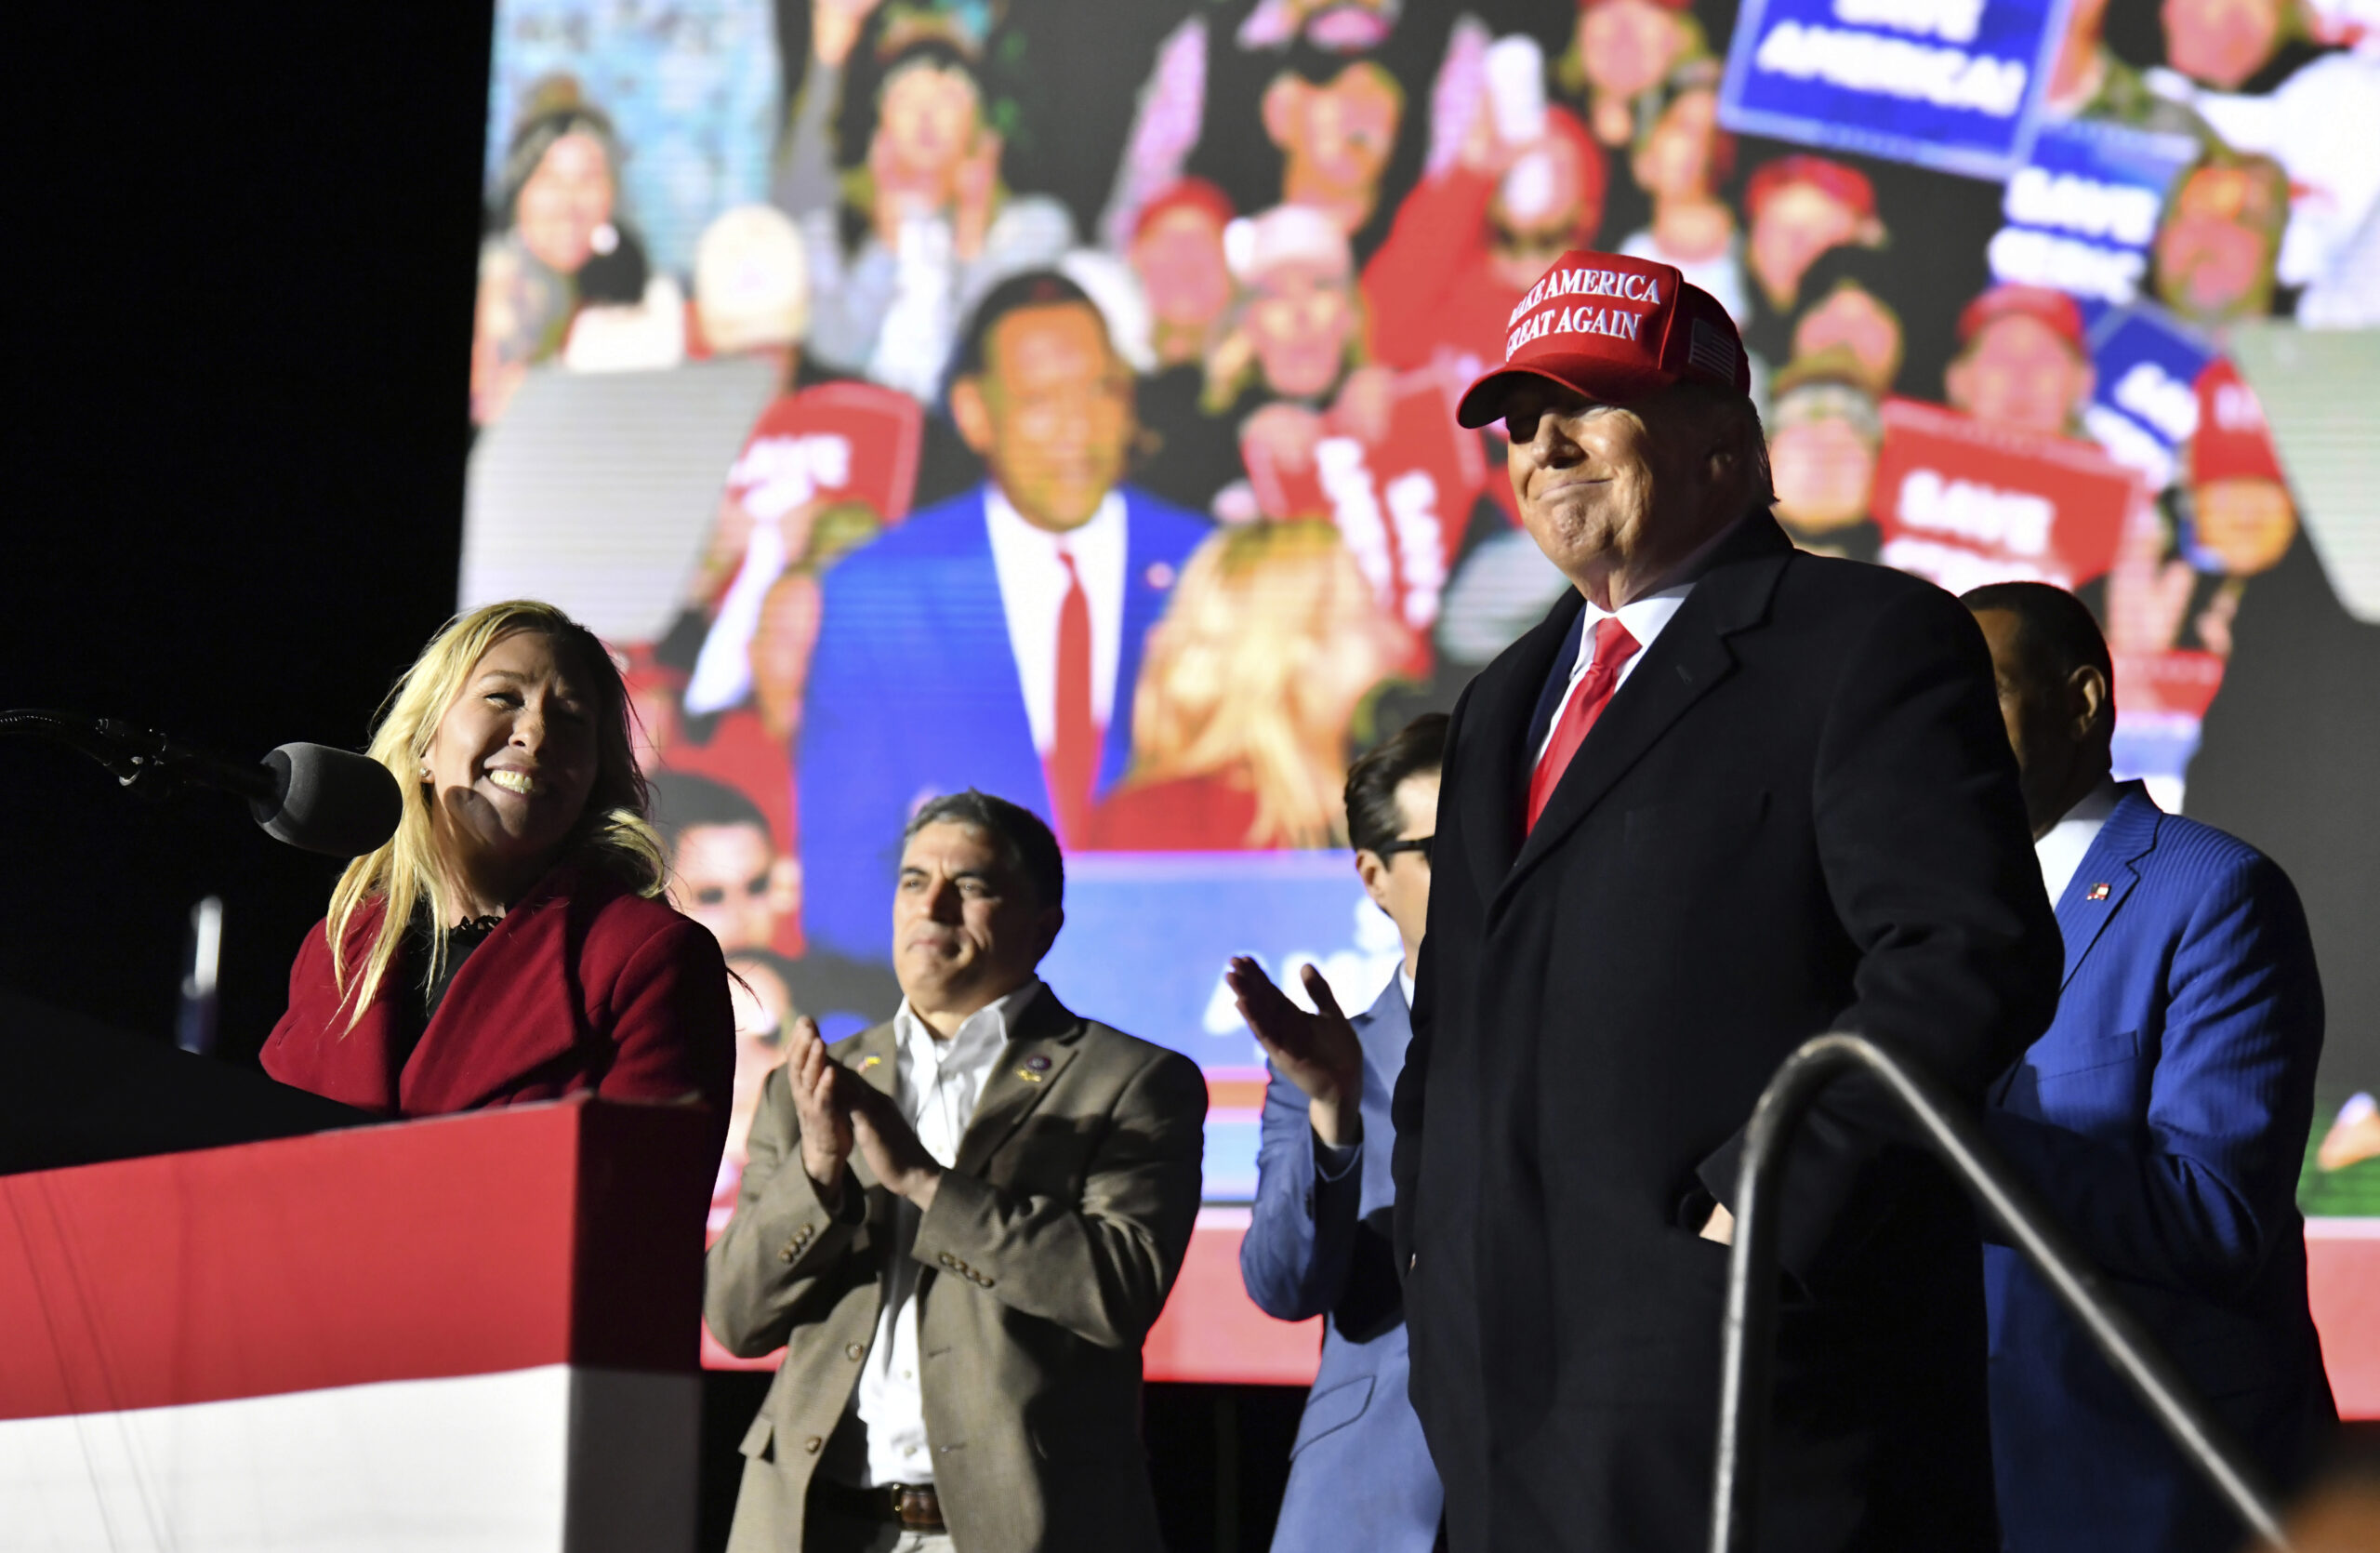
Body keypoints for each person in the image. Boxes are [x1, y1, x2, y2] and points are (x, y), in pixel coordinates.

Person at [1393, 249, 2061, 1548]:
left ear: (1725, 442)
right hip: (1500, 1407)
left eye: (1591, 401)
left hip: (1750, 1403)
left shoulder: (1865, 641)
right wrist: (1431, 1237)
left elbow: (1963, 957)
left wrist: (1761, 1209)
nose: (1546, 444)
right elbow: (1456, 1018)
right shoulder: (1496, 702)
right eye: (1521, 419)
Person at [705, 791, 1206, 1553]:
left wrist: (925, 1184)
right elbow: (736, 1321)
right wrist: (817, 1173)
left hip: (1014, 1528)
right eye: (912, 881)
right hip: (814, 1522)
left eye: (970, 885)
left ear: (1045, 927)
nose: (931, 906)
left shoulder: (1130, 1081)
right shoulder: (813, 1081)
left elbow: (1117, 1289)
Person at [1959, 580, 2335, 1552]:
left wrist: (1938, 1137)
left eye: (1981, 691)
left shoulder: (2213, 892)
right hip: (1951, 1476)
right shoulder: (1918, 921)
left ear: (2083, 699)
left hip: (2156, 1485)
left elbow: (2212, 1215)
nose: (1943, 727)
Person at [798, 272, 1210, 962]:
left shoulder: (1205, 571)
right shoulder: (880, 596)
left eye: (1100, 389)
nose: (1080, 426)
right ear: (974, 413)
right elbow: (841, 889)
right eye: (1041, 401)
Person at [261, 601, 735, 1171]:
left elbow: (633, 1224)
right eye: (503, 698)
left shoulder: (646, 959)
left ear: (592, 778)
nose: (535, 734)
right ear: (424, 747)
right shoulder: (335, 950)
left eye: (571, 717)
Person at [1228, 712, 1448, 1553]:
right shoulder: (1331, 1064)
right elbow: (1283, 1285)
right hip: (1371, 1503)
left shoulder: (1585, 1046)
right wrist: (1332, 1107)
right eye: (1437, 849)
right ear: (1374, 876)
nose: (1473, 867)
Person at [775, 21, 1074, 402]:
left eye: (947, 98)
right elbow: (837, 350)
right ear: (879, 119)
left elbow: (994, 361)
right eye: (906, 98)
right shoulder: (833, 223)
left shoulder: (1032, 226)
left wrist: (971, 241)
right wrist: (886, 245)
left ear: (978, 118)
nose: (926, 117)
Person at [1087, 521, 1413, 851]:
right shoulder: (1157, 824)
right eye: (1367, 613)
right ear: (1295, 646)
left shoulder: (1401, 814)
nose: (1399, 641)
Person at [1362, 102, 1606, 383]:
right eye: (1520, 161)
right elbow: (1372, 329)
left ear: (1587, 204)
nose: (1530, 176)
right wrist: (1470, 173)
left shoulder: (1598, 315)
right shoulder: (1448, 286)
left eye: (1554, 166)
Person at [1766, 350, 1884, 563]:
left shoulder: (1913, 591)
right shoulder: (1701, 569)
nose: (1830, 445)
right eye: (1806, 418)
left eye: (1856, 428)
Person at [1945, 283, 2097, 438]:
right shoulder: (1921, 455)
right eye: (2000, 369)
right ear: (1958, 381)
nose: (2021, 385)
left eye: (2042, 371)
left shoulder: (2113, 461)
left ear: (2082, 382)